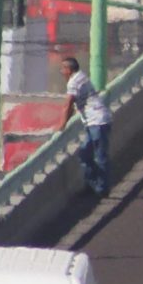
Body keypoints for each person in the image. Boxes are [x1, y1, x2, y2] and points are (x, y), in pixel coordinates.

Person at [61, 55, 112, 198]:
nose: (61, 72)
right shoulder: (81, 76)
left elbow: (68, 105)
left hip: (98, 122)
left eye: (62, 69)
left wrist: (62, 125)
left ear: (69, 69)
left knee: (100, 156)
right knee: (84, 154)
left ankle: (102, 189)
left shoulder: (73, 82)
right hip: (94, 122)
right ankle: (93, 184)